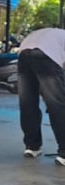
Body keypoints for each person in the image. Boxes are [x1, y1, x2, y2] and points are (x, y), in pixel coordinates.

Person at [17, 27, 65, 165]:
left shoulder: (54, 33)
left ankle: (32, 146)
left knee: (28, 102)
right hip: (45, 56)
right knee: (57, 105)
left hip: (24, 55)